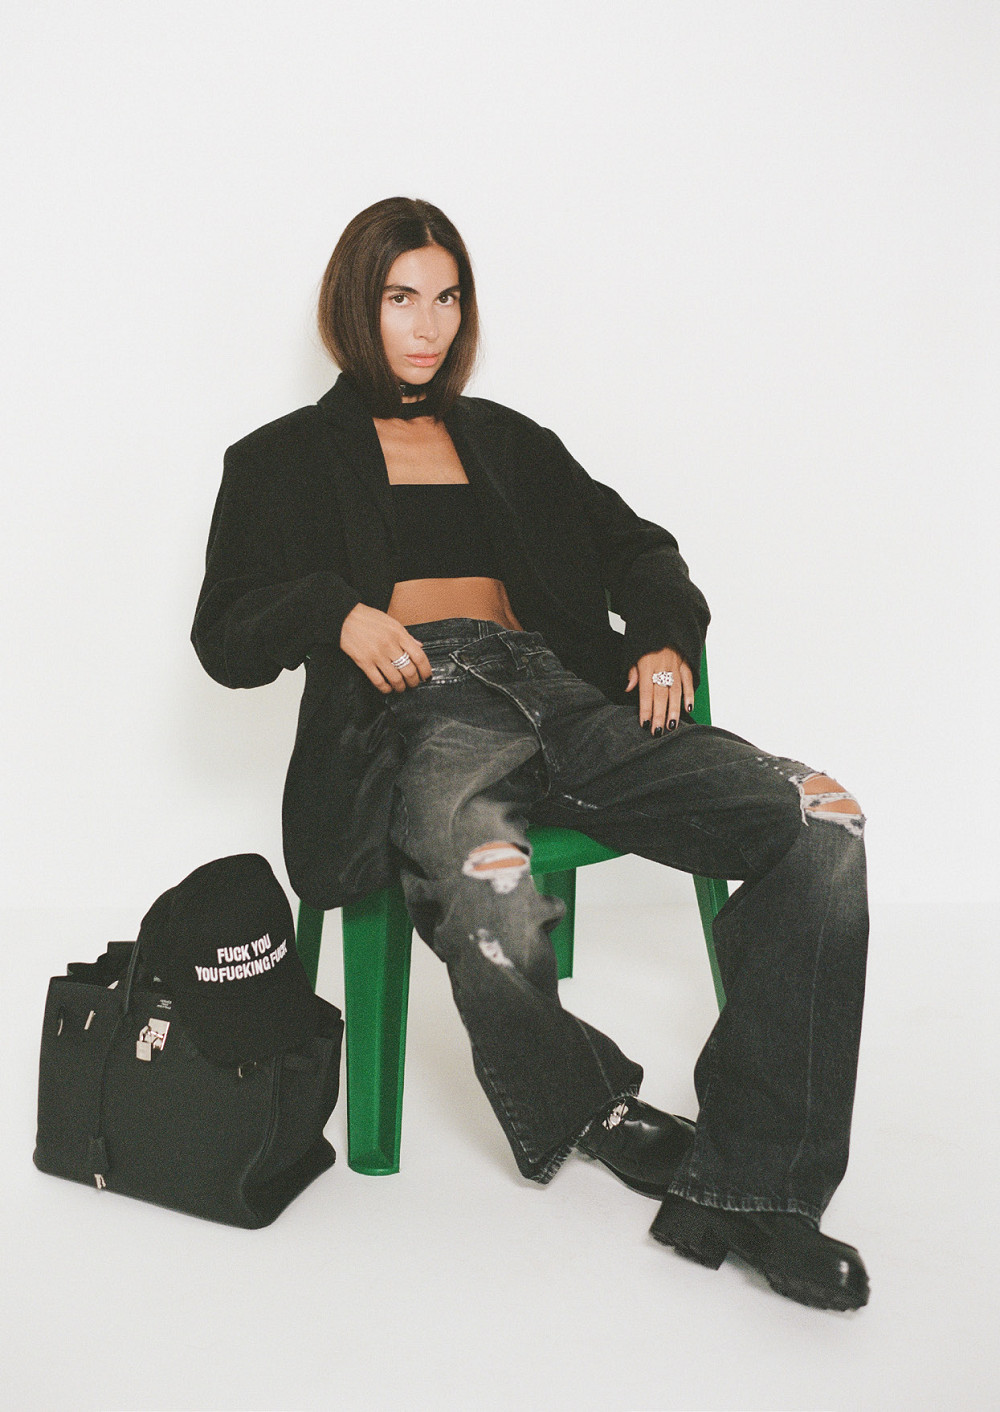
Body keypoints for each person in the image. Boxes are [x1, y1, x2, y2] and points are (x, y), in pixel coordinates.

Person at [192, 196, 870, 1311]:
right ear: (353, 307)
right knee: (486, 889)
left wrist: (661, 635)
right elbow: (223, 634)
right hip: (422, 710)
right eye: (400, 298)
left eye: (446, 298)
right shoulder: (279, 459)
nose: (428, 325)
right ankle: (589, 1102)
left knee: (819, 821)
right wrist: (334, 612)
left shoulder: (511, 443)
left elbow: (638, 546)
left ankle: (755, 1187)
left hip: (564, 692)